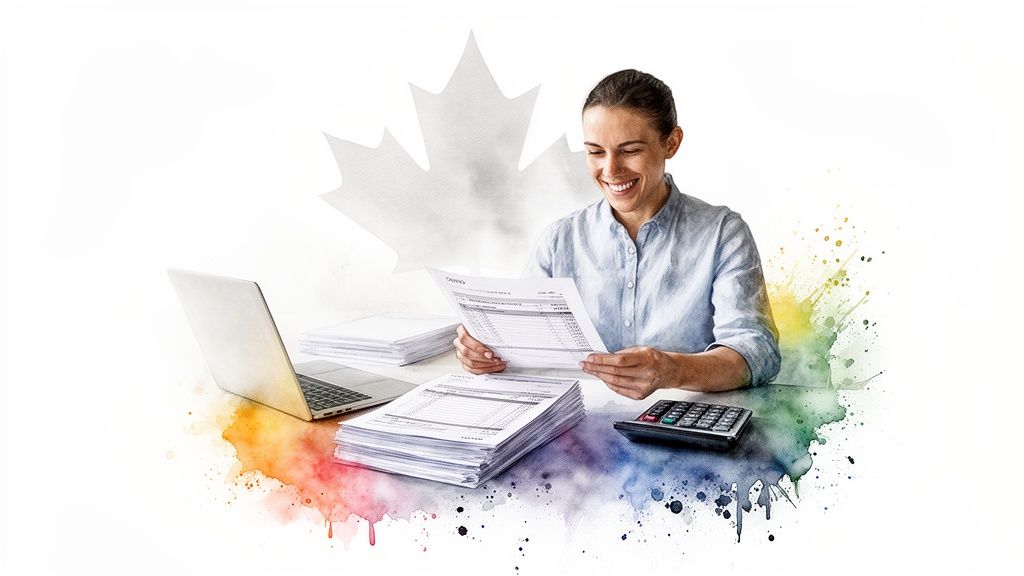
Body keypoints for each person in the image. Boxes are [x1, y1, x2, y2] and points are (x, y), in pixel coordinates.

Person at [453, 69, 781, 399]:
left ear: (671, 143)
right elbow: (518, 341)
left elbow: (756, 352)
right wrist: (485, 351)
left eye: (630, 150)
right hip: (579, 419)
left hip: (685, 420)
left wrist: (672, 370)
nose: (611, 170)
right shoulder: (560, 240)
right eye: (596, 152)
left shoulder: (722, 233)